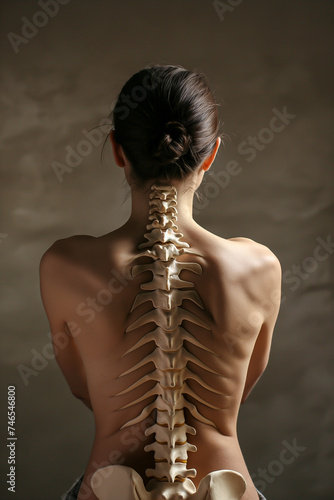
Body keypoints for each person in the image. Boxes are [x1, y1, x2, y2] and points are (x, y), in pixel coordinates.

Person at [40, 65, 281, 500]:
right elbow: (242, 387)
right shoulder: (259, 267)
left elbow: (83, 389)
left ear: (118, 150)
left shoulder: (64, 265)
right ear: (211, 155)